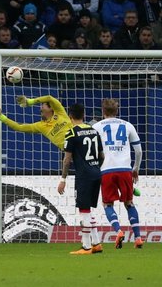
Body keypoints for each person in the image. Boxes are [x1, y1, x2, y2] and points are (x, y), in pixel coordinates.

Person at [92, 99, 144, 249]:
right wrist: (135, 169)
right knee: (129, 203)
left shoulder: (96, 127)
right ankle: (138, 238)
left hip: (106, 170)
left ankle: (119, 231)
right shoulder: (127, 125)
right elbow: (139, 151)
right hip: (125, 170)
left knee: (107, 204)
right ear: (117, 111)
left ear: (103, 111)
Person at [59, 103, 103, 255]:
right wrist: (96, 167)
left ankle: (86, 246)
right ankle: (96, 243)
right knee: (88, 209)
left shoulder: (71, 133)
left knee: (83, 209)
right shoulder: (94, 131)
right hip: (97, 173)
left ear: (70, 116)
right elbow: (102, 156)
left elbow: (67, 159)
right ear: (83, 115)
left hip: (84, 175)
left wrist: (63, 179)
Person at [0, 95, 72, 151]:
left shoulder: (60, 113)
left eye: (43, 106)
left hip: (79, 142)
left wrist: (29, 102)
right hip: (69, 150)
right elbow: (18, 127)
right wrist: (0, 116)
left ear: (51, 108)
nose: (41, 108)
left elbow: (49, 98)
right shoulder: (39, 126)